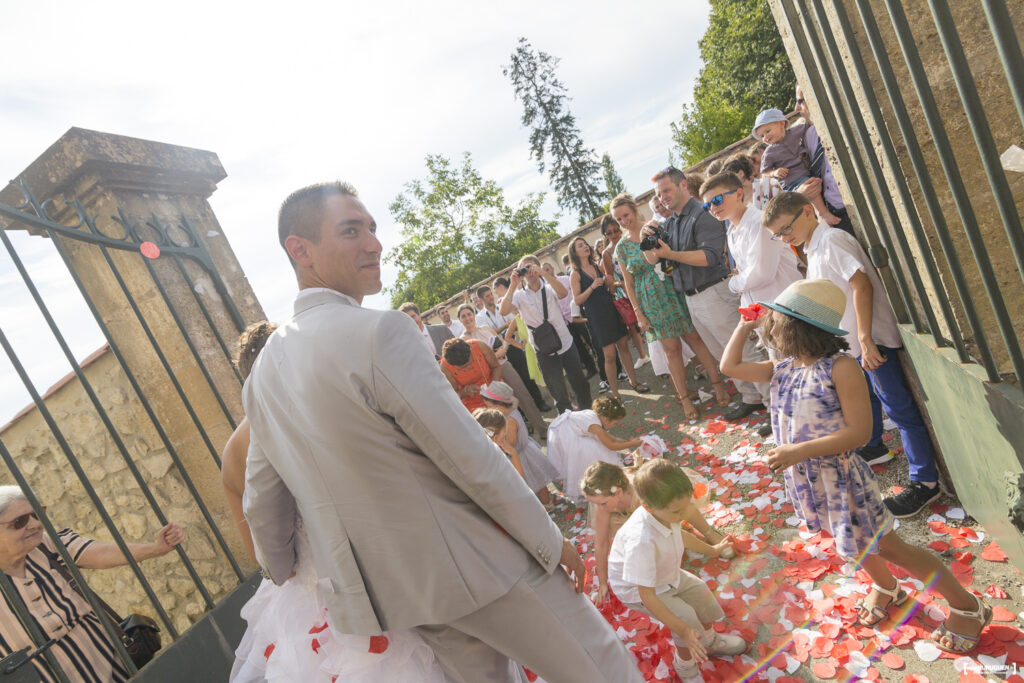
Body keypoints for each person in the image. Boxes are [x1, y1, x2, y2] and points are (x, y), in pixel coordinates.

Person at [243, 182, 640, 683]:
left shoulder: (262, 376)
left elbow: (262, 502)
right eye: (350, 231)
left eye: (372, 228)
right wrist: (545, 538)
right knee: (602, 670)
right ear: (299, 250)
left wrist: (284, 572)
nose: (374, 244)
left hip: (401, 602)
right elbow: (468, 454)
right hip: (483, 566)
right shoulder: (380, 331)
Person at [721, 278, 991, 656]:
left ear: (798, 326)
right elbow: (729, 366)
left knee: (893, 548)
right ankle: (886, 587)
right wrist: (743, 325)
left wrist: (799, 450)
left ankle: (968, 606)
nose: (768, 325)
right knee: (850, 541)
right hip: (811, 479)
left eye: (775, 319)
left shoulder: (841, 368)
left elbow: (859, 433)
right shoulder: (783, 368)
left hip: (843, 479)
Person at [225, 323, 448, 683]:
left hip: (300, 599)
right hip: (367, 569)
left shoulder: (232, 451)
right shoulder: (312, 407)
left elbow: (261, 553)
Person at [762, 192, 942, 517]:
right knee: (871, 401)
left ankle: (925, 481)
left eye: (786, 228)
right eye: (779, 235)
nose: (785, 237)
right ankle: (874, 447)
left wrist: (865, 337)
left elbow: (861, 284)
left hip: (871, 341)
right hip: (856, 344)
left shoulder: (831, 240)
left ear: (807, 212)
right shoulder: (814, 246)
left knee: (899, 409)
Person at [0, 487, 183, 683]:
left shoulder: (47, 546)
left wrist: (155, 549)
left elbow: (102, 552)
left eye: (36, 514)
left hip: (117, 671)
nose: (35, 524)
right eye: (20, 522)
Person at [606, 460, 748, 679]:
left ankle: (709, 642)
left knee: (700, 593)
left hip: (664, 573)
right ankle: (685, 666)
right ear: (648, 507)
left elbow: (680, 534)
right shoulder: (641, 541)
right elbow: (647, 595)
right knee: (685, 619)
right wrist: (684, 630)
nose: (684, 514)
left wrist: (712, 550)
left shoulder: (666, 514)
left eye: (687, 505)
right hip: (640, 589)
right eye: (677, 511)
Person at [580, 460, 735, 606]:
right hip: (633, 520)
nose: (599, 508)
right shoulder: (603, 506)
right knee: (643, 534)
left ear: (619, 492)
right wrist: (602, 583)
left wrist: (711, 550)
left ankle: (709, 532)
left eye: (602, 503)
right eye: (596, 504)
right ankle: (659, 546)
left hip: (659, 506)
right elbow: (601, 543)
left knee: (681, 508)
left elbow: (676, 532)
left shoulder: (641, 493)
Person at [698, 173, 801, 323]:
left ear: (739, 194)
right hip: (765, 316)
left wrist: (733, 283)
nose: (713, 208)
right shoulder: (731, 231)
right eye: (707, 206)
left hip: (787, 309)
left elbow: (761, 274)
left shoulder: (758, 222)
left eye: (717, 200)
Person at [500, 255, 592, 414]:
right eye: (524, 268)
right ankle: (568, 419)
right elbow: (503, 311)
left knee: (580, 383)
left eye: (531, 267)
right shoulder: (519, 296)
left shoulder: (549, 288)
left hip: (565, 343)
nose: (529, 271)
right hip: (543, 350)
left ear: (538, 267)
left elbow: (563, 293)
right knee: (558, 393)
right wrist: (513, 284)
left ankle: (588, 415)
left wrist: (543, 273)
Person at [568, 237, 647, 400]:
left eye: (585, 244)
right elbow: (577, 300)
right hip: (596, 317)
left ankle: (634, 382)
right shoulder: (575, 274)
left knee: (624, 346)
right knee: (609, 355)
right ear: (574, 252)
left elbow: (610, 290)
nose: (585, 247)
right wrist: (592, 286)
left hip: (611, 310)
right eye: (580, 246)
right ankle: (616, 394)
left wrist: (611, 283)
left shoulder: (597, 266)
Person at [458, 304, 548, 438]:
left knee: (524, 397)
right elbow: (473, 363)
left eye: (469, 314)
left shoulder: (486, 328)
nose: (467, 318)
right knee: (503, 407)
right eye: (463, 316)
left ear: (474, 315)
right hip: (488, 376)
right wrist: (494, 356)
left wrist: (503, 349)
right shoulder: (463, 341)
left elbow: (503, 341)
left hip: (505, 367)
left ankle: (543, 430)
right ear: (460, 320)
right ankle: (517, 437)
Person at [751, 108, 841, 226]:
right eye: (762, 136)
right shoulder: (769, 153)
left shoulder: (796, 131)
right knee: (809, 185)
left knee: (817, 181)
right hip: (791, 179)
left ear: (782, 124)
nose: (765, 137)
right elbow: (764, 172)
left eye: (768, 131)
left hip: (806, 170)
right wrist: (774, 172)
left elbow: (808, 124)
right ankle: (822, 214)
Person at [546, 396, 642, 501]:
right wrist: (631, 444)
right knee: (585, 454)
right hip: (564, 436)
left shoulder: (596, 417)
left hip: (568, 430)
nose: (616, 425)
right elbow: (611, 445)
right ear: (606, 419)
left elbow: (611, 438)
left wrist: (627, 442)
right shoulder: (594, 425)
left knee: (594, 447)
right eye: (615, 423)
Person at [480, 382, 559, 510]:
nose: (489, 410)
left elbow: (511, 442)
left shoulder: (509, 421)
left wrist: (497, 440)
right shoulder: (513, 408)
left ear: (499, 404)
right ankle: (547, 498)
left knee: (537, 482)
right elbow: (515, 399)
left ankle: (546, 504)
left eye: (490, 407)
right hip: (527, 449)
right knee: (538, 479)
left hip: (522, 456)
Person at [796, 85, 856, 236]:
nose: (797, 108)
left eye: (800, 101)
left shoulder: (847, 120)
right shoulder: (809, 134)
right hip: (836, 215)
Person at [493, 277, 553, 413]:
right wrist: (520, 344)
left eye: (494, 289)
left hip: (539, 340)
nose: (493, 293)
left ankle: (557, 397)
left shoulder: (517, 297)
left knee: (552, 371)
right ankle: (549, 400)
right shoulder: (504, 308)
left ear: (500, 286)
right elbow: (507, 333)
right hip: (524, 347)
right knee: (540, 377)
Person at [600, 215, 650, 369]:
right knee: (634, 327)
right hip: (626, 291)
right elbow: (610, 280)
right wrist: (620, 284)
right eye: (609, 233)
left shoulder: (631, 240)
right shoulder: (607, 254)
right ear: (605, 235)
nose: (614, 235)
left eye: (616, 230)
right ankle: (643, 355)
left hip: (645, 285)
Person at [543, 262, 601, 379]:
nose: (546, 273)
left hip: (576, 315)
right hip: (564, 322)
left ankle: (602, 363)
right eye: (543, 271)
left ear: (553, 268)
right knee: (578, 346)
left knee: (591, 340)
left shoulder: (566, 279)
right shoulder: (544, 289)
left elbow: (577, 294)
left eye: (547, 269)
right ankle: (591, 368)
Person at [439, 337, 503, 413]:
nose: (468, 367)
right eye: (462, 368)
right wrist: (465, 391)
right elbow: (453, 396)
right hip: (474, 406)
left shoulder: (479, 346)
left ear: (470, 350)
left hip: (496, 388)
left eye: (469, 362)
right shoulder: (445, 368)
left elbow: (496, 367)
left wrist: (494, 386)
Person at [474, 407, 524, 476]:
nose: (505, 437)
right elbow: (519, 478)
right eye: (504, 434)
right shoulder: (498, 460)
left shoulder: (477, 456)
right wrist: (513, 453)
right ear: (496, 438)